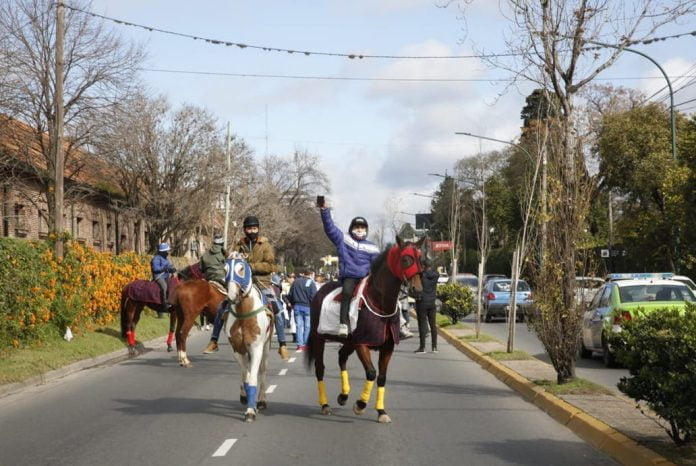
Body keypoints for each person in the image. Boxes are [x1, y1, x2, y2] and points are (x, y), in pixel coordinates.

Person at [204, 216, 289, 360]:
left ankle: (282, 344)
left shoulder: (265, 245)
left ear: (258, 229)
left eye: (254, 228)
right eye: (249, 228)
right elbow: (232, 261)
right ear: (244, 230)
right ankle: (214, 340)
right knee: (221, 307)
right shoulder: (239, 245)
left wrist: (251, 266)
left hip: (261, 282)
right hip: (242, 284)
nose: (252, 231)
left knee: (278, 308)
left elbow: (271, 265)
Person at [319, 202, 380, 337]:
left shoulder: (373, 247)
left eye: (362, 227)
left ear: (366, 230)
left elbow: (377, 265)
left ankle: (396, 323)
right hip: (350, 276)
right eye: (357, 227)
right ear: (352, 228)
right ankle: (343, 324)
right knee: (346, 292)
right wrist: (324, 211)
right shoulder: (343, 239)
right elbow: (330, 228)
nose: (359, 229)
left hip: (366, 277)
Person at [200, 235, 228, 352]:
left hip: (208, 278)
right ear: (221, 244)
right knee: (233, 295)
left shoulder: (205, 254)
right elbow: (227, 266)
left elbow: (201, 269)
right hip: (221, 277)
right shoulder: (223, 253)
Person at [288, 269, 317, 351]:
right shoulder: (311, 283)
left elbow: (290, 294)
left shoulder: (296, 282)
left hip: (297, 306)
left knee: (298, 326)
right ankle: (305, 343)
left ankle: (299, 345)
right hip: (308, 307)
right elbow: (313, 296)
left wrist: (293, 303)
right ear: (310, 274)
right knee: (307, 326)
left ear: (303, 274)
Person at [415, 259, 439, 354]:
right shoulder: (436, 275)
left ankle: (422, 347)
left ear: (423, 266)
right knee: (433, 325)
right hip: (432, 302)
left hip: (422, 302)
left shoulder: (421, 275)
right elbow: (435, 272)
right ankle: (434, 347)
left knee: (422, 325)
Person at [151, 242, 176, 318]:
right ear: (162, 252)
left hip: (166, 277)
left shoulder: (166, 258)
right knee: (164, 287)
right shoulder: (156, 258)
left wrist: (172, 269)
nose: (168, 252)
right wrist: (164, 268)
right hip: (159, 277)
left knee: (173, 285)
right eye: (166, 251)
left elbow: (168, 266)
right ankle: (165, 304)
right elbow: (155, 269)